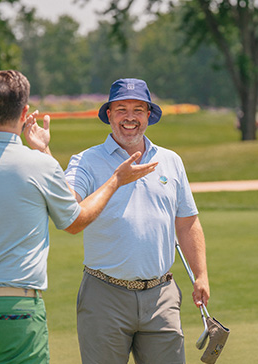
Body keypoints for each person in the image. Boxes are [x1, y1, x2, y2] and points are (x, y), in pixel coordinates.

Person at [0, 70, 158, 364]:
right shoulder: (39, 166)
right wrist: (116, 179)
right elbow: (75, 222)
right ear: (25, 111)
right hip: (15, 306)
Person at [63, 78, 210, 364]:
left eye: (138, 110)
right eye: (121, 109)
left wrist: (200, 274)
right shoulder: (85, 161)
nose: (130, 117)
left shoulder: (171, 161)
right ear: (109, 115)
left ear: (148, 116)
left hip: (161, 296)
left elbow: (187, 222)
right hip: (104, 295)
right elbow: (70, 207)